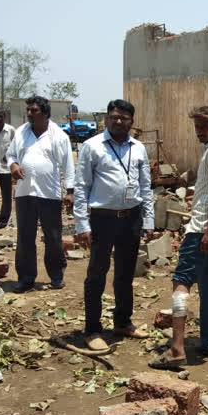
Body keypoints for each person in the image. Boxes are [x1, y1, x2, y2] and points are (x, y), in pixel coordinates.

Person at [149, 106, 208, 369]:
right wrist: (198, 194)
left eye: (205, 127)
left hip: (204, 229)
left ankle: (176, 349)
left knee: (181, 283)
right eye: (197, 127)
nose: (200, 132)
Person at [74, 100, 154, 350]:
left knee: (125, 274)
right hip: (102, 219)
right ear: (107, 119)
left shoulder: (139, 148)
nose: (118, 121)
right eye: (114, 117)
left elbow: (145, 187)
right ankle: (92, 330)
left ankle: (122, 322)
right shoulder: (92, 146)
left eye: (124, 118)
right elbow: (81, 187)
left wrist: (148, 220)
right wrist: (81, 225)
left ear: (132, 121)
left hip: (131, 218)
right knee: (96, 274)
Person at [6, 95, 75, 293]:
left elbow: (68, 165)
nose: (29, 114)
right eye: (28, 110)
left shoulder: (59, 136)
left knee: (53, 237)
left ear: (45, 113)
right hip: (25, 193)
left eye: (34, 111)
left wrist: (70, 192)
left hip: (49, 194)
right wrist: (13, 165)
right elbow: (10, 154)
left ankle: (56, 276)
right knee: (25, 238)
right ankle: (26, 279)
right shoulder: (21, 133)